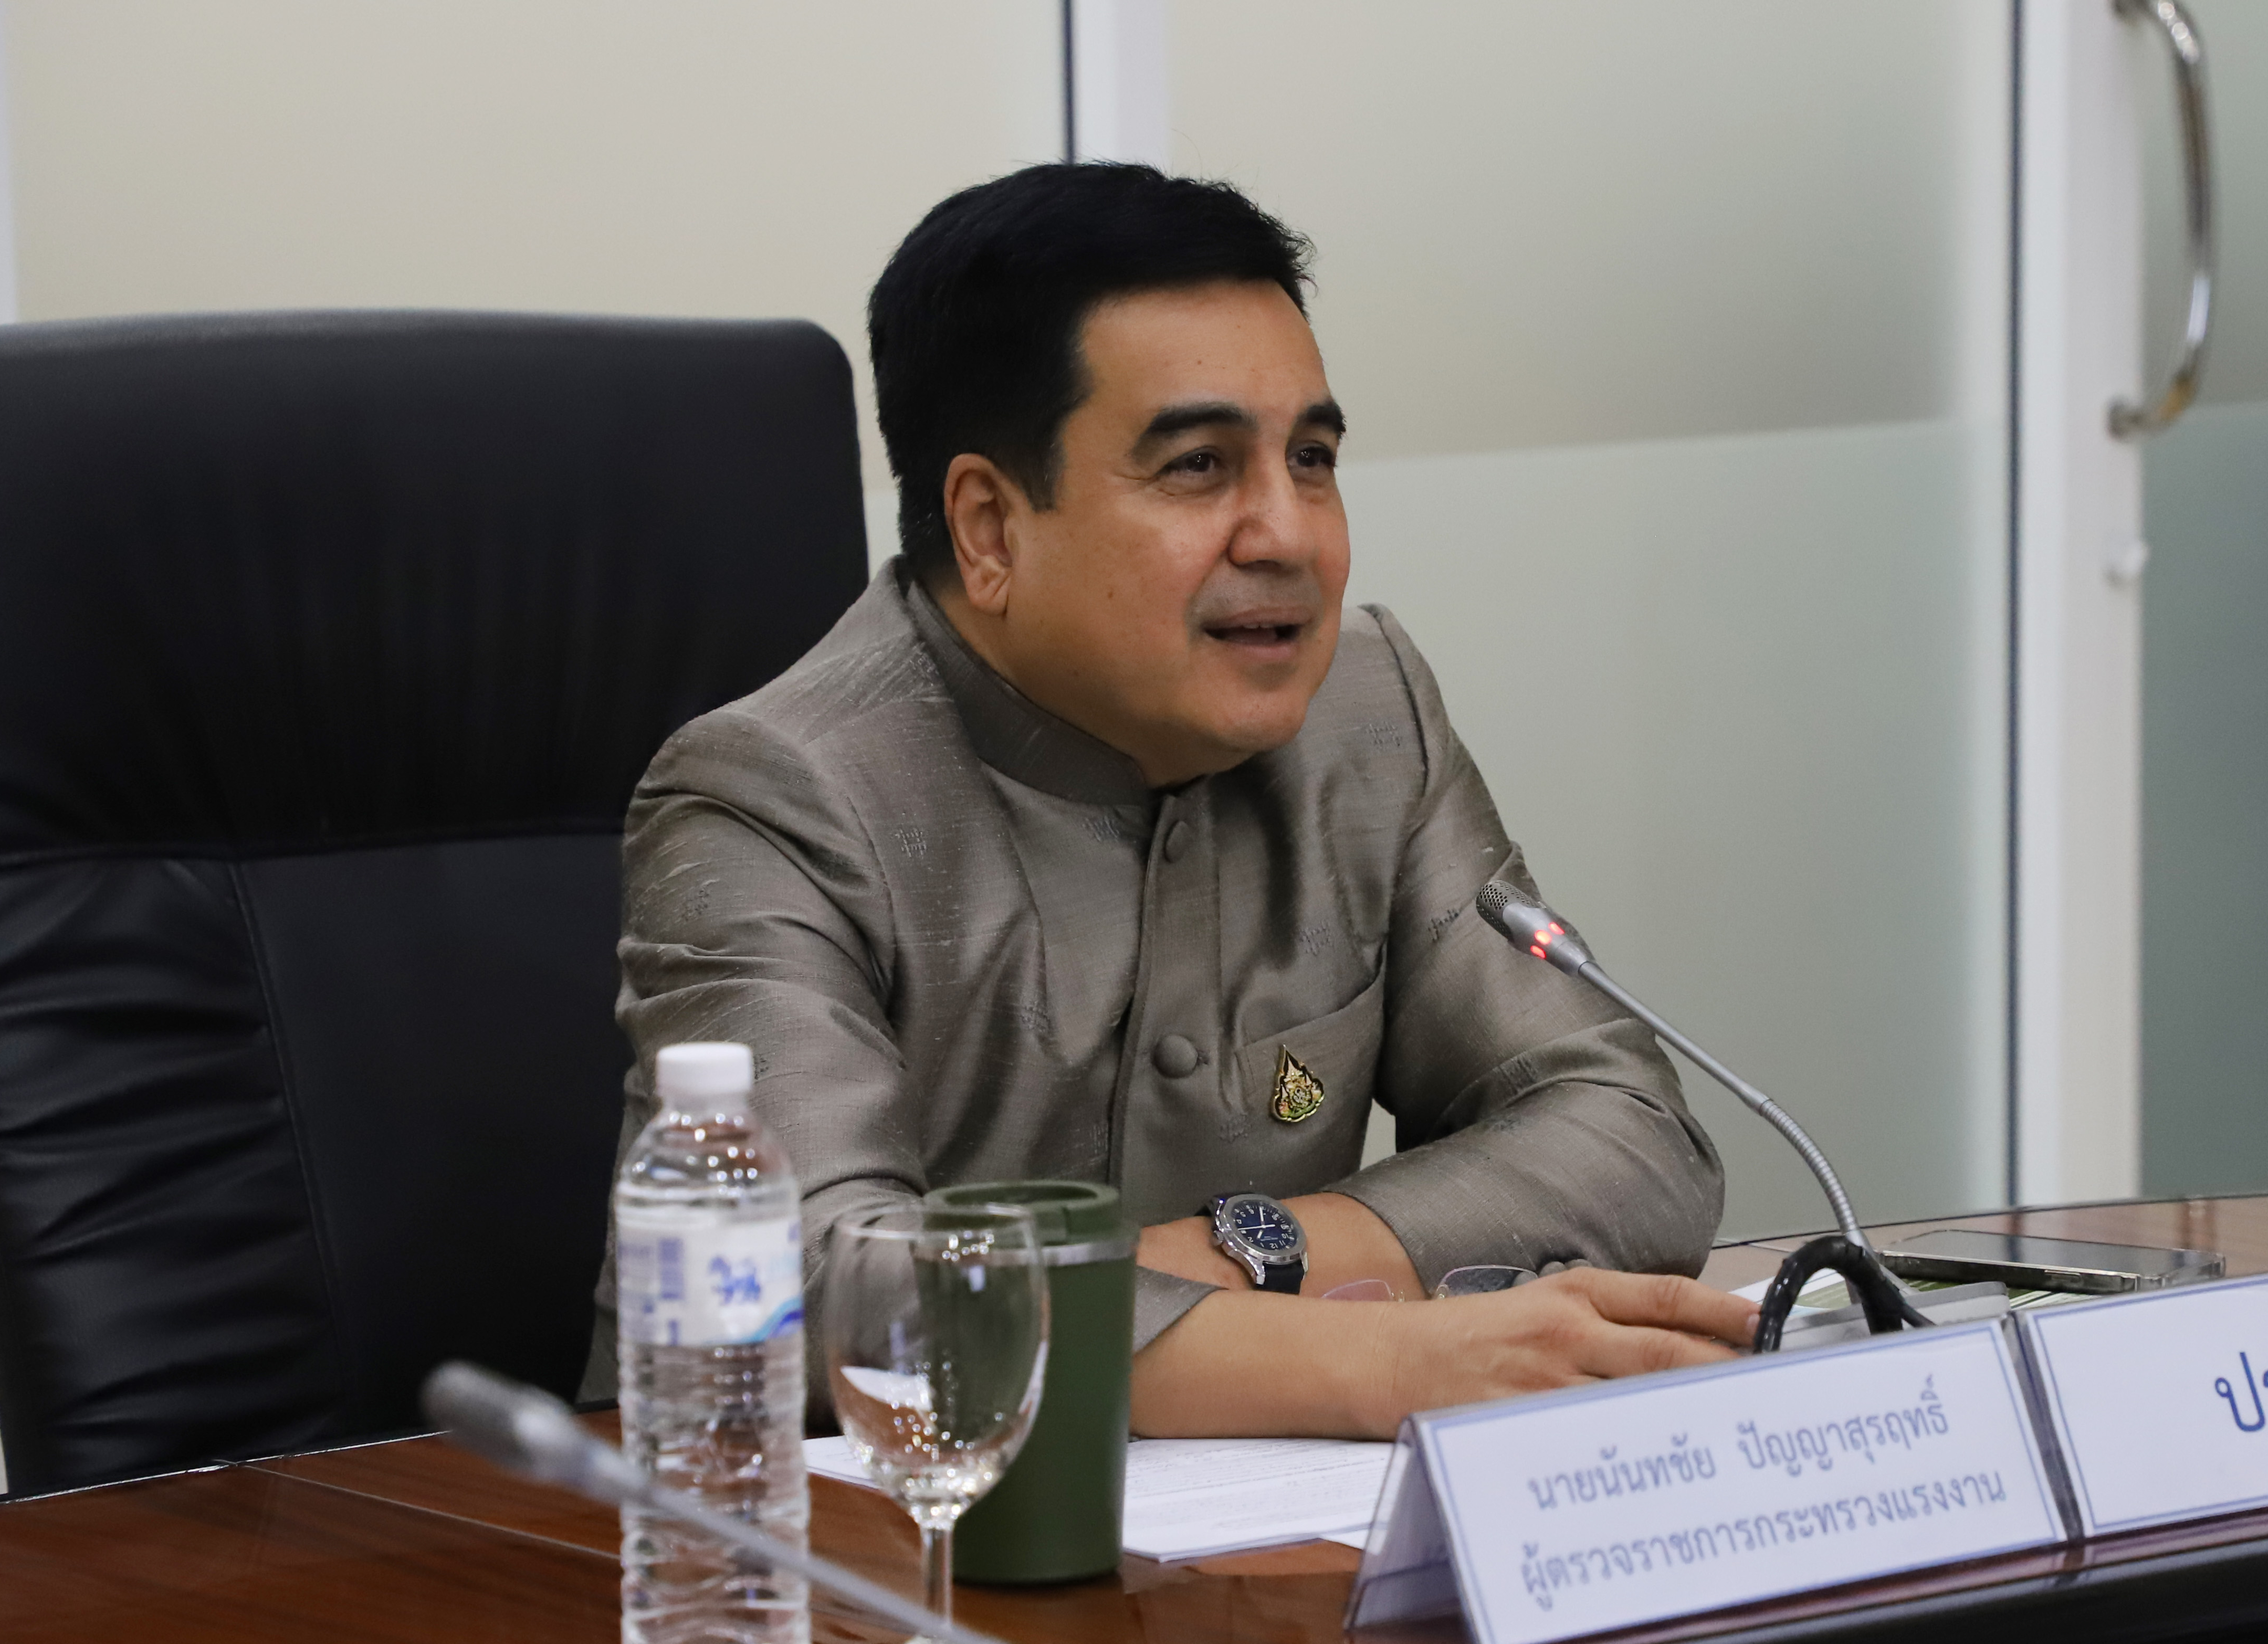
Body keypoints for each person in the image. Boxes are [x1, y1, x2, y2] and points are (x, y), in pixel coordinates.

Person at [585, 162, 1750, 1437]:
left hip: (1265, 1534)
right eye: (1200, 467)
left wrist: (1242, 1257)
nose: (1289, 535)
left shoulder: (1369, 716)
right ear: (989, 528)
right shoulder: (776, 797)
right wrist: (1380, 1362)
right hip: (815, 1541)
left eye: (1312, 458)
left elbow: (1631, 1133)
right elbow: (809, 1288)